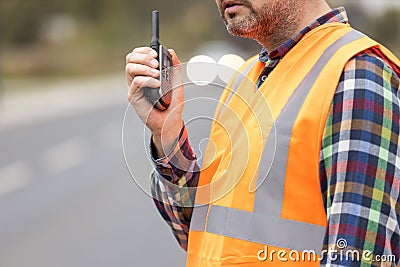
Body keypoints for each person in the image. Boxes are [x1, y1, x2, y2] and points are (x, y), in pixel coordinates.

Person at [125, 0, 400, 266]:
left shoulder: (356, 73)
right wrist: (167, 133)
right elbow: (195, 232)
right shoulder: (244, 78)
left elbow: (359, 255)